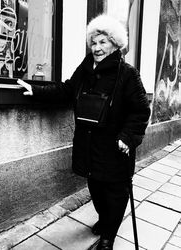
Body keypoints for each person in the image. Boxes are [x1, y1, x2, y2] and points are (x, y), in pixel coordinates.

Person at [17, 14, 151, 250]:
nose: (96, 48)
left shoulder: (127, 74)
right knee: (96, 188)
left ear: (115, 44)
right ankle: (105, 219)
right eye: (93, 42)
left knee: (115, 193)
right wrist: (37, 91)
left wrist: (128, 137)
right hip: (89, 144)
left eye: (102, 42)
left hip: (115, 146)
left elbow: (140, 111)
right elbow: (67, 90)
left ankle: (108, 236)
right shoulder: (86, 68)